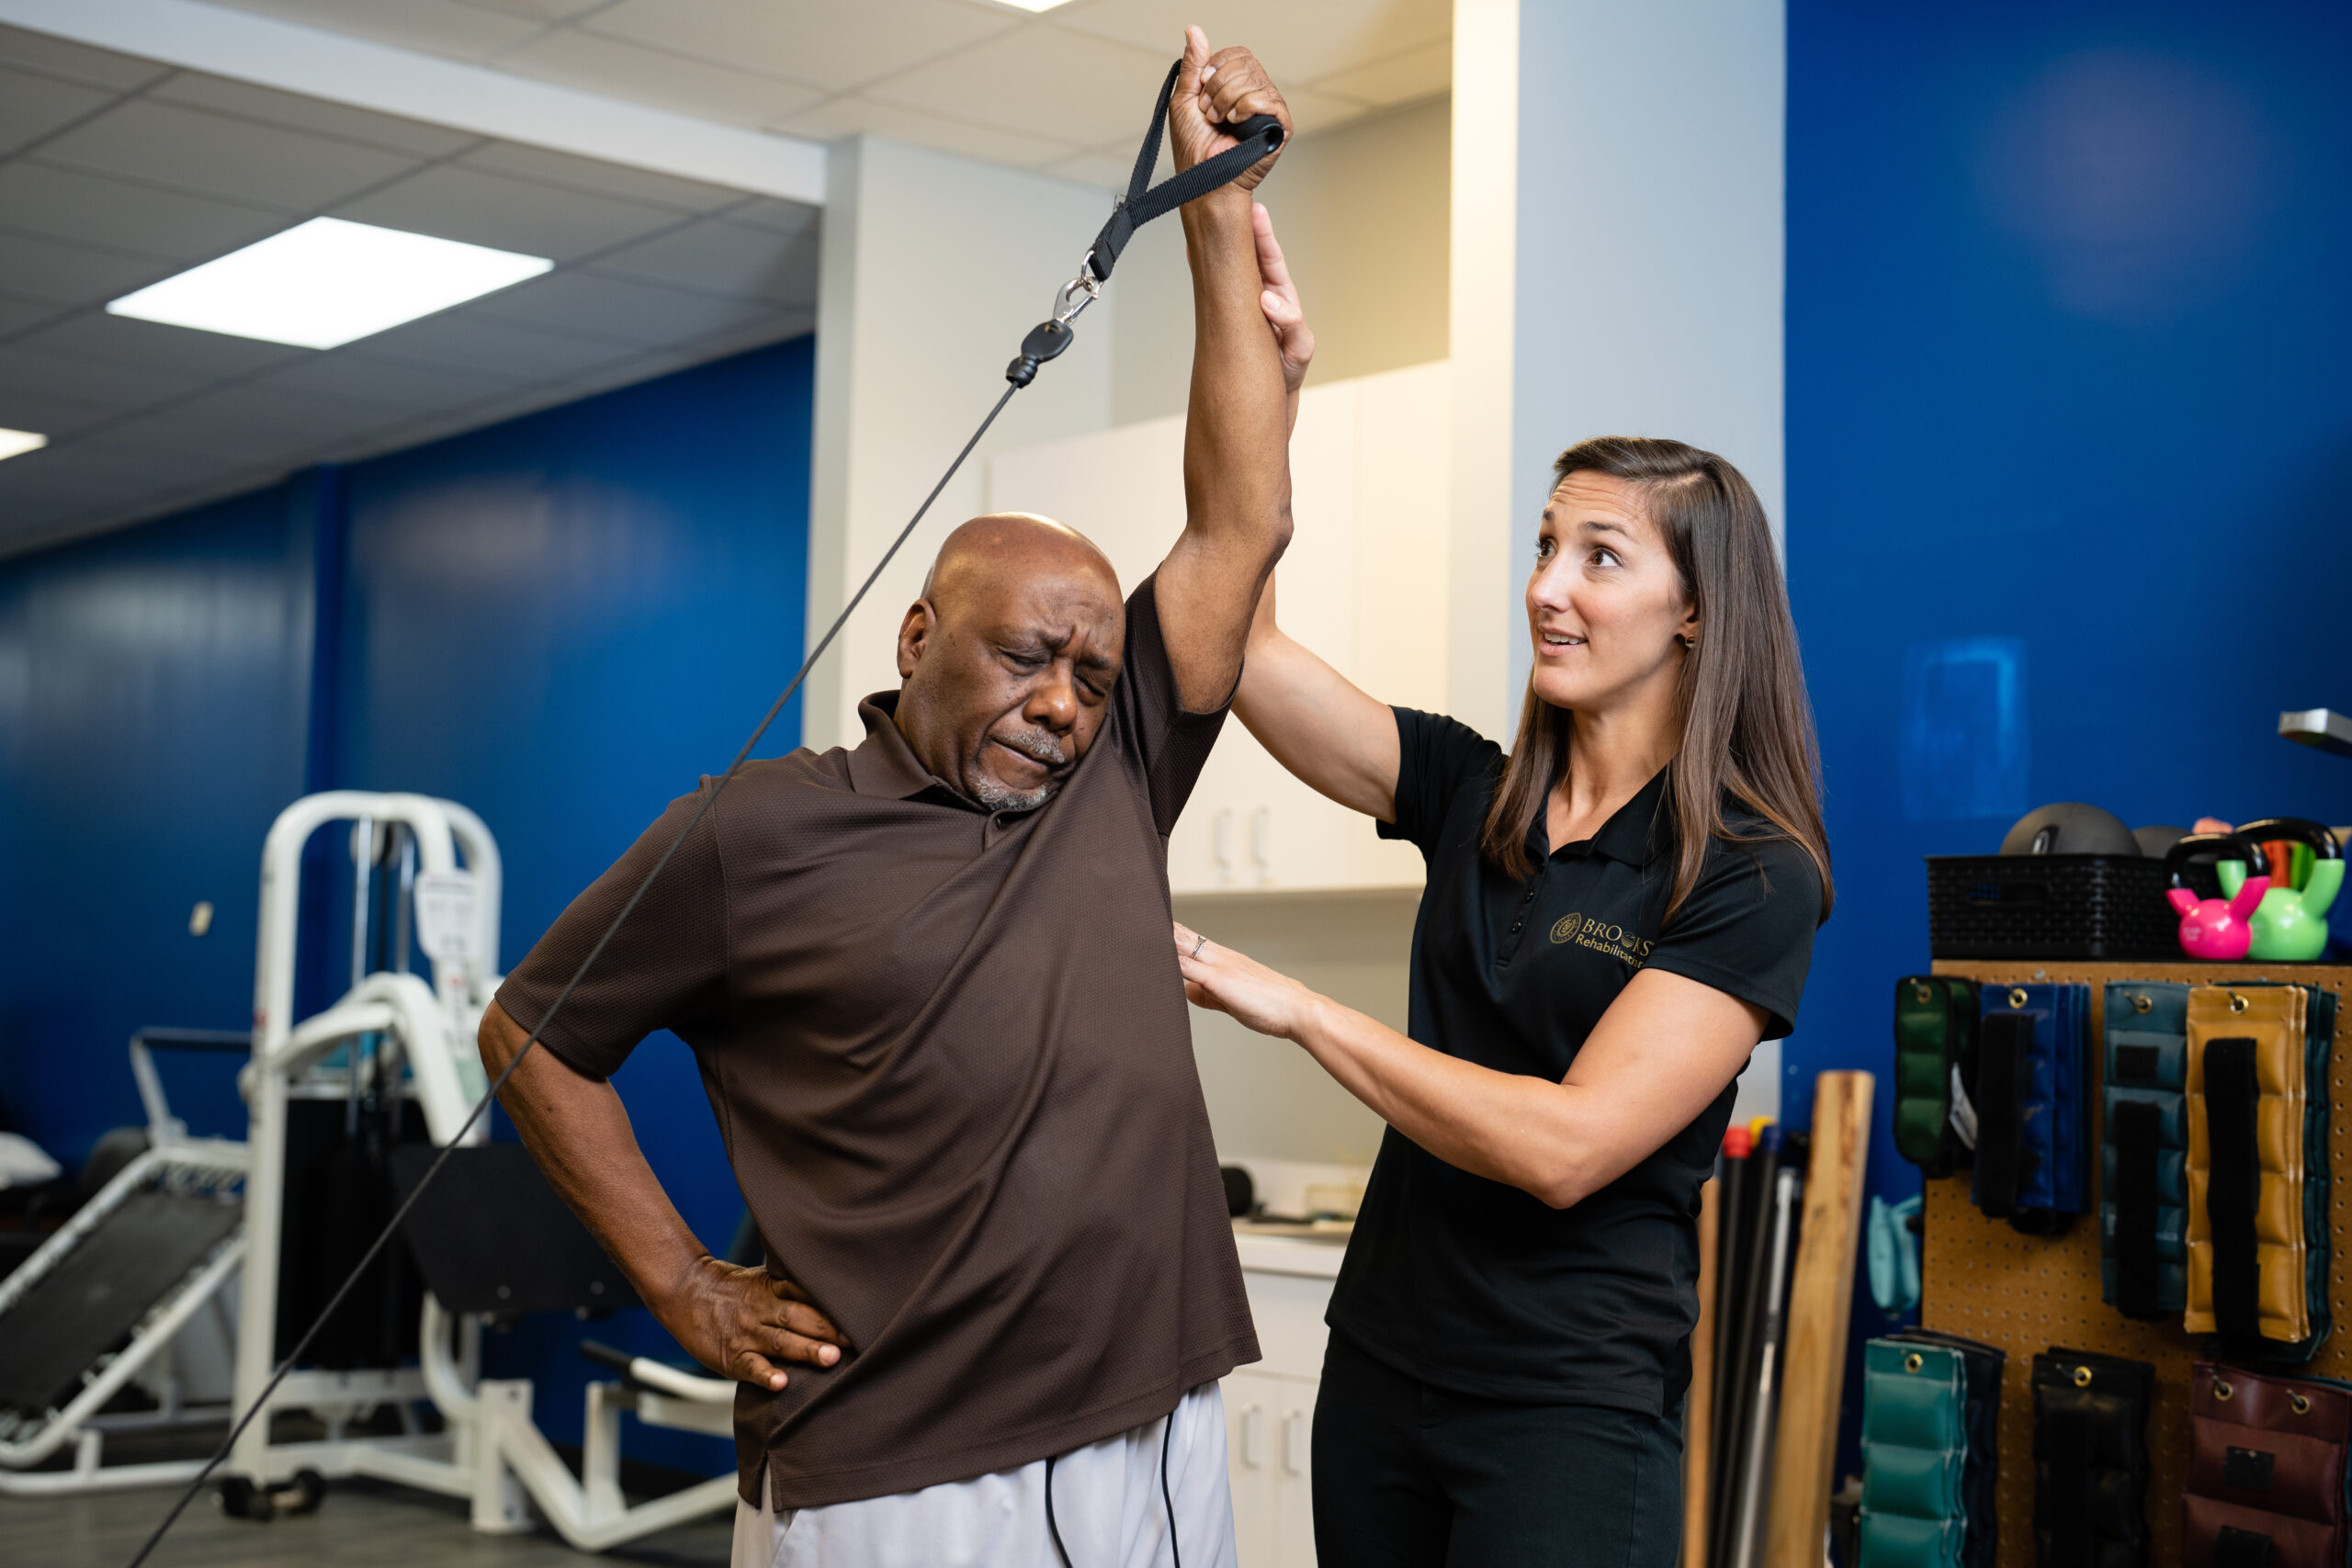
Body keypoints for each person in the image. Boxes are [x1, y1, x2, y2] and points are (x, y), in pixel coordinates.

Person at [478, 29, 1294, 1568]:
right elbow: (531, 1034)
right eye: (1027, 657)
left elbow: (1241, 518)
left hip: (1154, 1424)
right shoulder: (750, 829)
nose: (1064, 702)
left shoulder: (1112, 779)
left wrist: (1212, 204)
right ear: (918, 640)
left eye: (1093, 675)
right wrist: (682, 1284)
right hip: (897, 1468)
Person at [1170, 230, 1834, 1567]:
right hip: (1381, 1369)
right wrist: (1264, 375)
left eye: (1600, 558)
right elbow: (1230, 637)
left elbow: (1566, 1147)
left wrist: (1301, 1010)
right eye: (1546, 546)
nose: (1546, 589)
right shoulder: (1476, 795)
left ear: (1696, 612)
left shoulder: (1752, 873)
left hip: (1565, 1410)